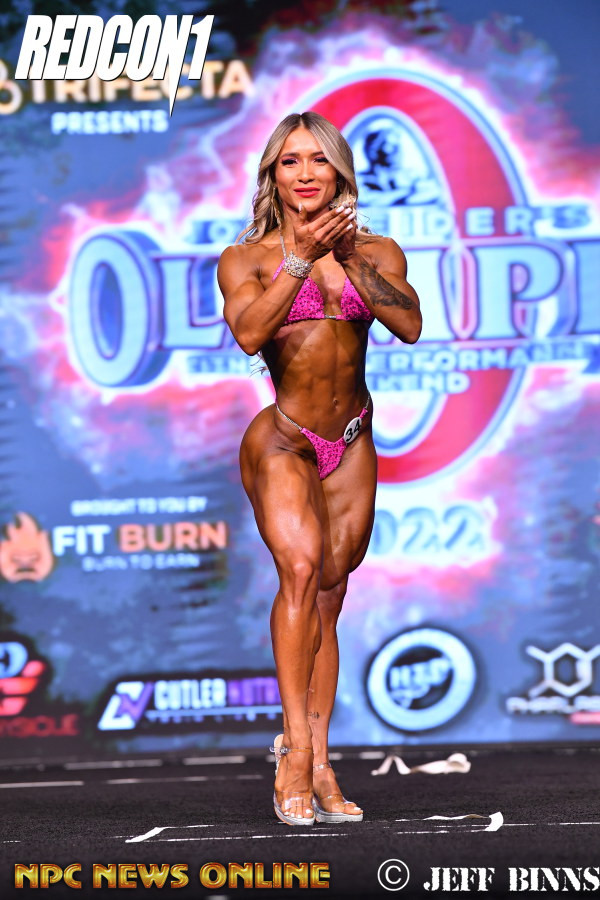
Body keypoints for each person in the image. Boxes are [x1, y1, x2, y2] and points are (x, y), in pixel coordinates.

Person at [217, 111, 422, 826]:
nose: (305, 173)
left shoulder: (377, 249)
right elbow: (249, 335)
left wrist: (344, 255)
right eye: (290, 161)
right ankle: (294, 756)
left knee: (331, 593)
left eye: (318, 160)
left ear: (339, 172)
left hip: (352, 439)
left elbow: (409, 325)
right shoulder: (246, 258)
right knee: (301, 573)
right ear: (272, 175)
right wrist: (301, 260)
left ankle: (323, 761)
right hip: (283, 440)